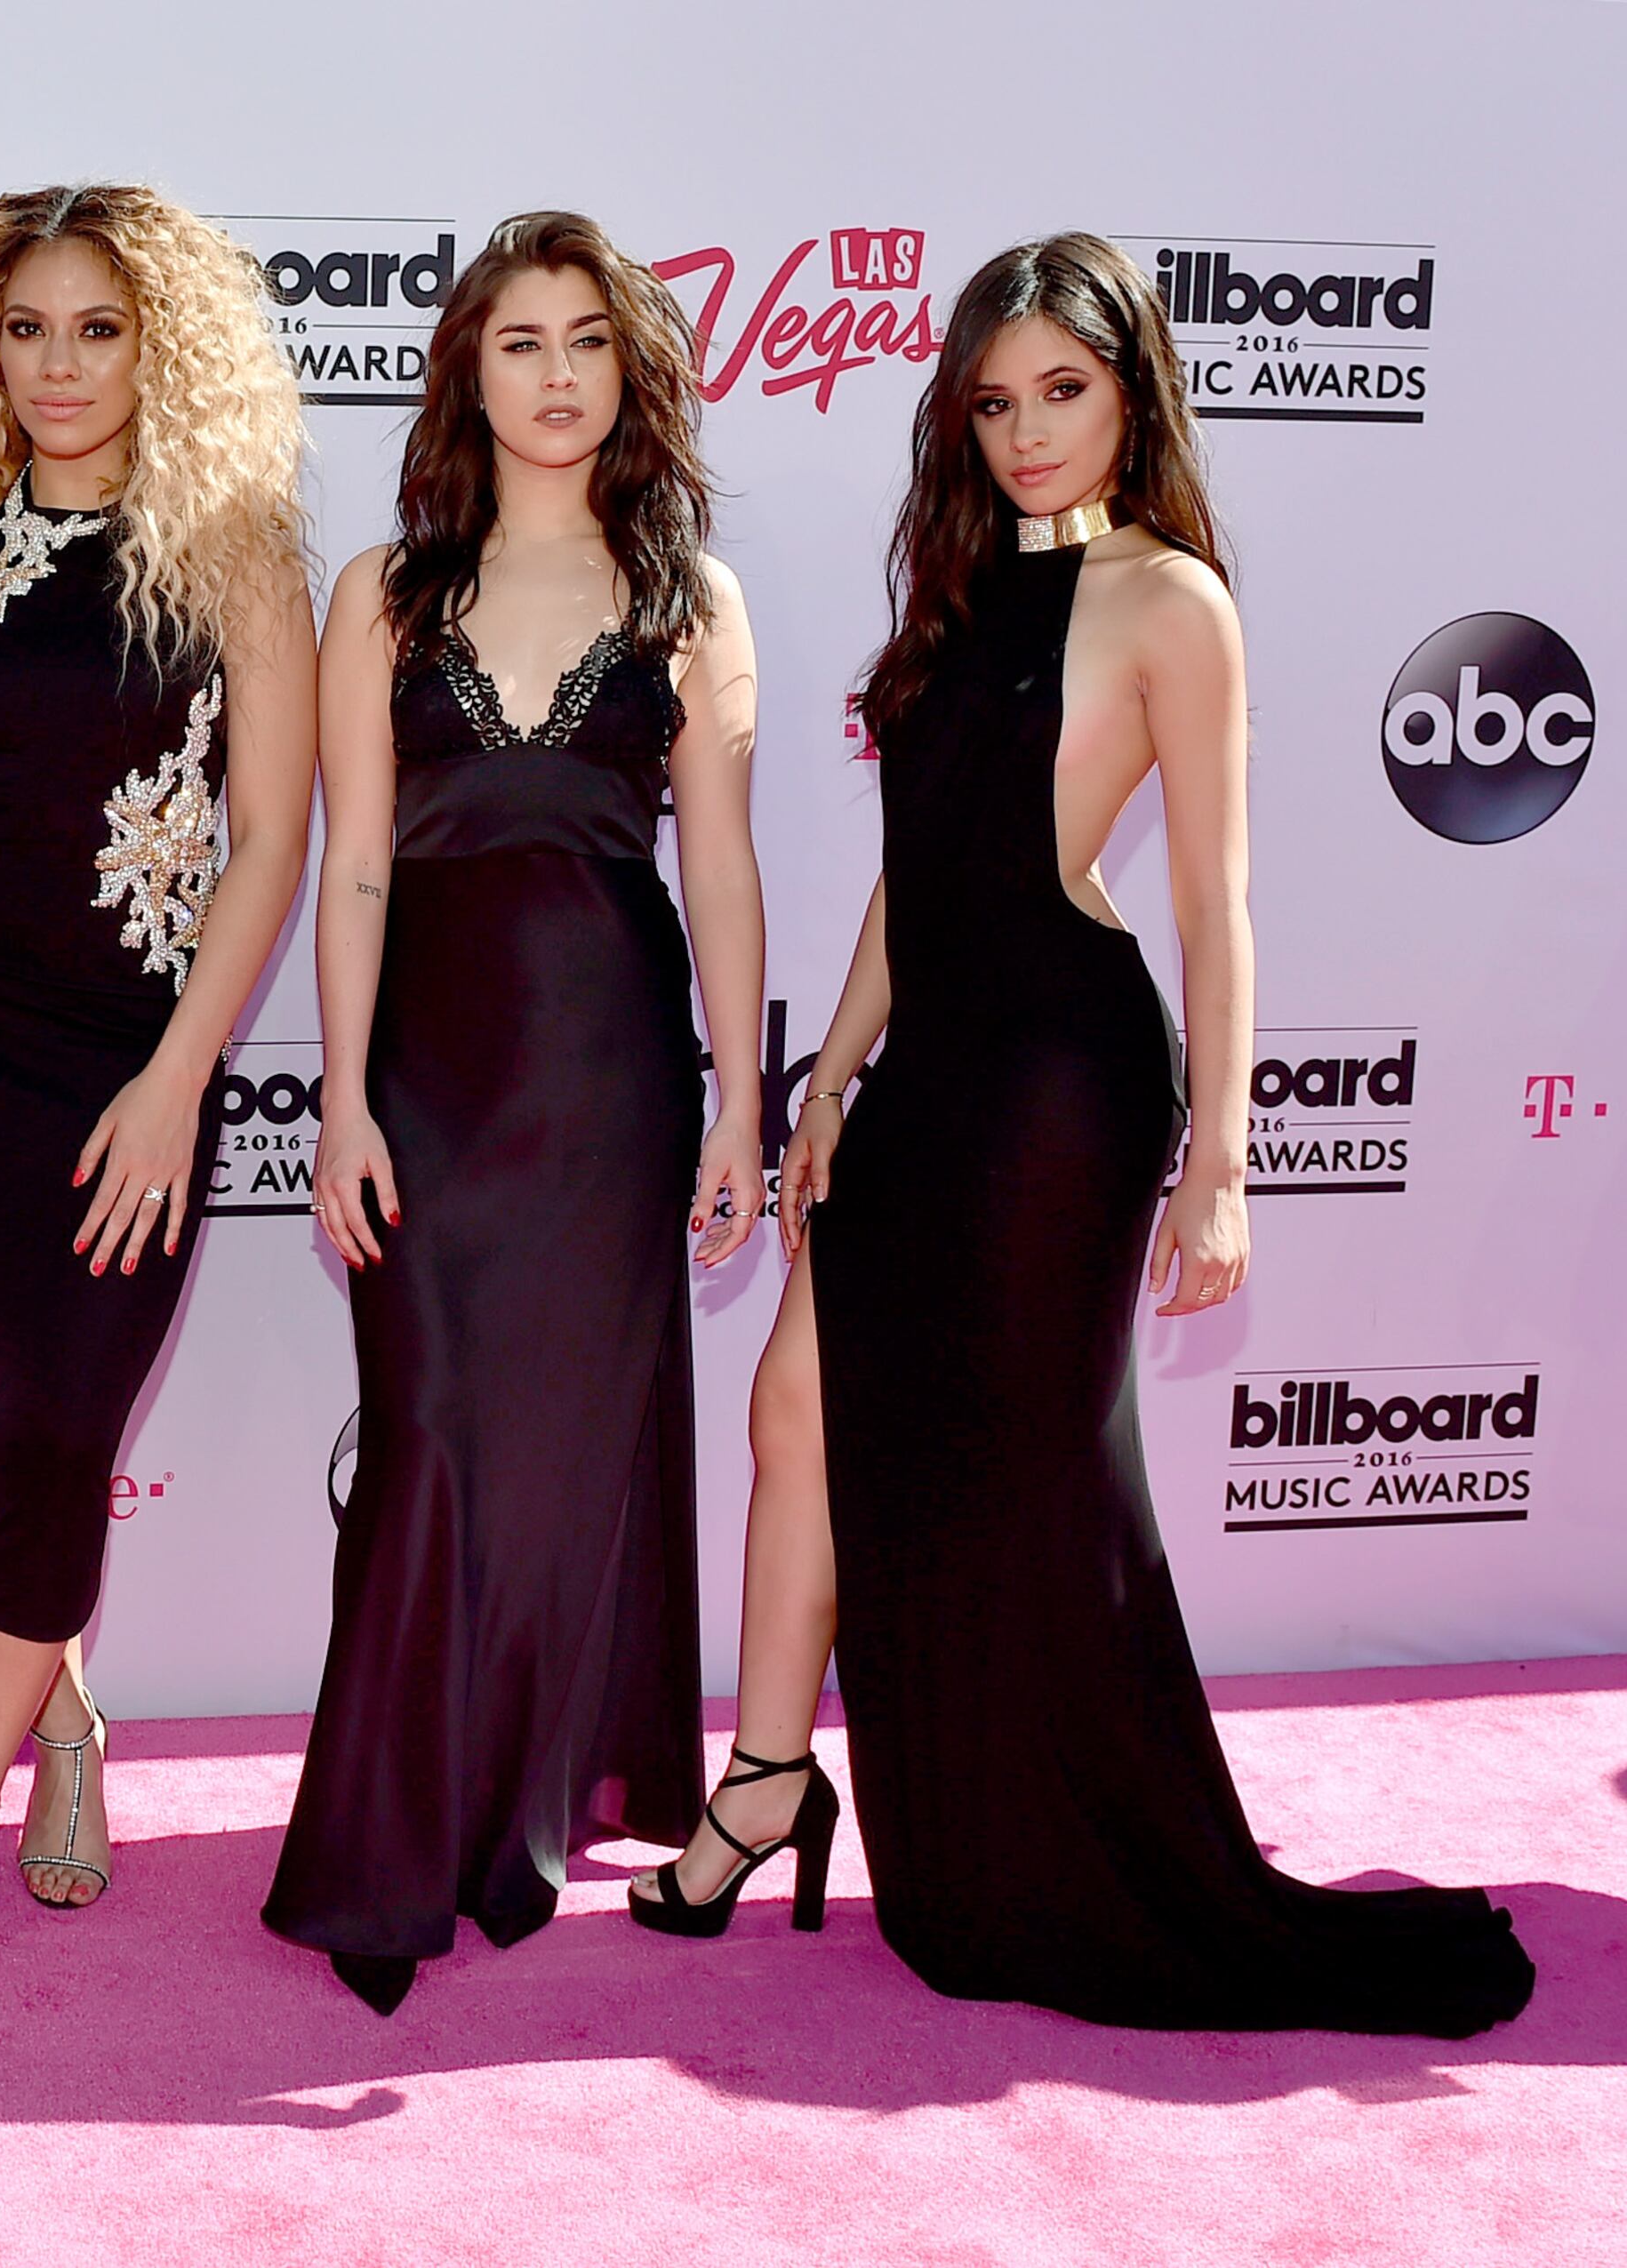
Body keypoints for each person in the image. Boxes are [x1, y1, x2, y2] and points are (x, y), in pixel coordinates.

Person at [631, 236, 1535, 2039]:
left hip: (1064, 1077)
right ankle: (770, 1780)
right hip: (928, 1069)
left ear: (1132, 394)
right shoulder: (961, 592)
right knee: (796, 1412)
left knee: (1038, 1472)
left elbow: (1215, 902)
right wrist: (833, 1077)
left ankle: (1049, 1846)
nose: (1030, 430)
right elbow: (917, 873)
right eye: (995, 402)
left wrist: (1225, 1160)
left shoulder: (1170, 599)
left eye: (1065, 390)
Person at [263, 212, 765, 2016]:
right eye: (520, 342)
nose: (557, 376)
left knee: (560, 1459)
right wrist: (340, 1100)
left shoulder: (692, 598)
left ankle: (515, 1815)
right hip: (433, 1078)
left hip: (615, 1081)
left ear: (631, 372)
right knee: (429, 1438)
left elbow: (720, 867)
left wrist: (738, 1102)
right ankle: (392, 1840)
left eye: (588, 341)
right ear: (466, 375)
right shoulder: (384, 594)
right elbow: (355, 871)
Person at [0, 183, 313, 2002]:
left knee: (55, 1419)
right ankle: (62, 1716)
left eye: (97, 330)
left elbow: (270, 840)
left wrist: (182, 1079)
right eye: (26, 330)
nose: (57, 366)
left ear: (159, 349)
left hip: (130, 1058)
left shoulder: (234, 554)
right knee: (8, 1418)